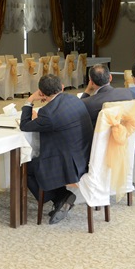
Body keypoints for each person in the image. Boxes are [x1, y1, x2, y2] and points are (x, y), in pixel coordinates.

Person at [20, 74, 93, 225]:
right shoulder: (74, 99)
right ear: (62, 87)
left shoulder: (48, 113)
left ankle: (59, 196)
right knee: (35, 161)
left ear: (41, 92)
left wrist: (30, 100)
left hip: (69, 165)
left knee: (25, 167)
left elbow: (25, 126)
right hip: (85, 156)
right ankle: (61, 197)